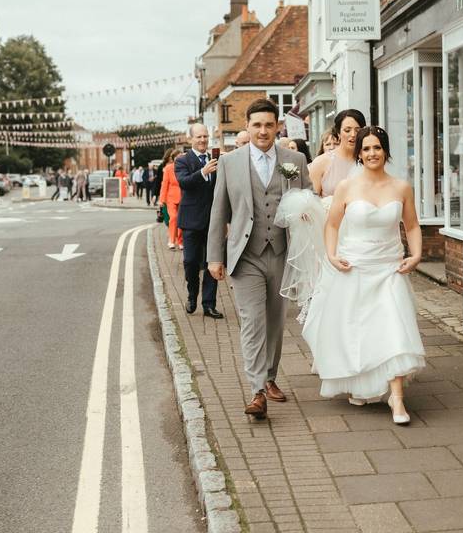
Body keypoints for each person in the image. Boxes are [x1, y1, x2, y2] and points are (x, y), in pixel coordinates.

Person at [300, 126, 425, 424]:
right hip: (355, 266)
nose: (372, 153)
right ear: (359, 153)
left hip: (389, 267)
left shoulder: (401, 187)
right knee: (359, 331)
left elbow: (412, 226)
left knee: (393, 326)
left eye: (377, 148)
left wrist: (417, 255)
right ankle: (361, 383)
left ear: (386, 151)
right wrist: (331, 255)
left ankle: (397, 399)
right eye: (366, 149)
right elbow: (331, 225)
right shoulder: (347, 187)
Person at [206, 99, 312, 420]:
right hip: (245, 256)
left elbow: (307, 199)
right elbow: (219, 211)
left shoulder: (294, 160)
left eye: (269, 125)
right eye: (257, 125)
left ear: (278, 126)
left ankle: (270, 376)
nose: (263, 131)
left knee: (275, 322)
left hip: (281, 252)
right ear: (247, 127)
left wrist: (308, 216)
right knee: (252, 322)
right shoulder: (230, 162)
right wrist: (214, 257)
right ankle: (256, 391)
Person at [175, 124, 223, 319]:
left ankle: (209, 304)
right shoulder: (182, 160)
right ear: (191, 139)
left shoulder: (217, 158)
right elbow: (184, 182)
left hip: (213, 220)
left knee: (212, 261)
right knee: (191, 262)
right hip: (191, 221)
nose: (203, 140)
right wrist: (203, 172)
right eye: (199, 137)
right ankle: (192, 293)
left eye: (205, 136)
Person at [308, 109, 366, 196]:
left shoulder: (368, 160)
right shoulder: (321, 162)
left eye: (358, 130)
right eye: (347, 130)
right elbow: (311, 202)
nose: (353, 134)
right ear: (338, 133)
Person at [159, 150, 183, 250]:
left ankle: (181, 241)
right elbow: (164, 184)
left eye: (181, 157)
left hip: (183, 197)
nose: (179, 159)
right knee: (173, 217)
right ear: (173, 159)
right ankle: (171, 240)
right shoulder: (168, 168)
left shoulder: (185, 168)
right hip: (171, 197)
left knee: (182, 220)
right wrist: (161, 200)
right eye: (177, 157)